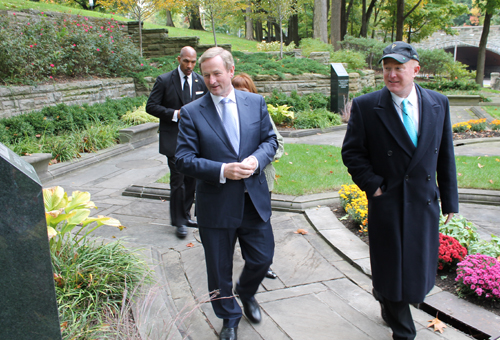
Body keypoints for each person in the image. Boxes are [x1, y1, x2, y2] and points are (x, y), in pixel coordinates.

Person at [341, 41, 458, 340]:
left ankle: (384, 296)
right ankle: (403, 331)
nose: (392, 75)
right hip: (388, 201)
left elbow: (445, 154)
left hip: (423, 201)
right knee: (391, 266)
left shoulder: (438, 102)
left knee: (418, 267)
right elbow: (353, 153)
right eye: (387, 69)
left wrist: (450, 201)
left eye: (399, 69)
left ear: (415, 70)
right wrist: (374, 187)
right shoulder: (367, 106)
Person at [175, 47, 278, 340]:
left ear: (231, 71)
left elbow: (270, 140)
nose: (211, 80)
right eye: (205, 75)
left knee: (262, 258)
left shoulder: (255, 102)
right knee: (218, 270)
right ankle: (229, 317)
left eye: (216, 73)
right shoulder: (193, 112)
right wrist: (223, 170)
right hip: (216, 205)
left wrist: (257, 160)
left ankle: (246, 292)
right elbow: (183, 159)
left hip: (252, 200)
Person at [146, 46, 208, 239]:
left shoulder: (200, 81)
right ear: (178, 59)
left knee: (191, 180)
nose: (189, 65)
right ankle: (179, 222)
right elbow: (151, 106)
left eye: (192, 62)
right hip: (173, 139)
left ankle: (186, 215)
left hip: (195, 140)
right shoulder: (164, 80)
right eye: (186, 61)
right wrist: (175, 114)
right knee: (178, 181)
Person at [232, 72, 284, 279]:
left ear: (251, 92)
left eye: (243, 91)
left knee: (261, 223)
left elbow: (277, 144)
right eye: (235, 90)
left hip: (260, 180)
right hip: (234, 183)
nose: (239, 95)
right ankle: (248, 262)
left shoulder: (260, 113)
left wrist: (259, 159)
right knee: (239, 225)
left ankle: (263, 264)